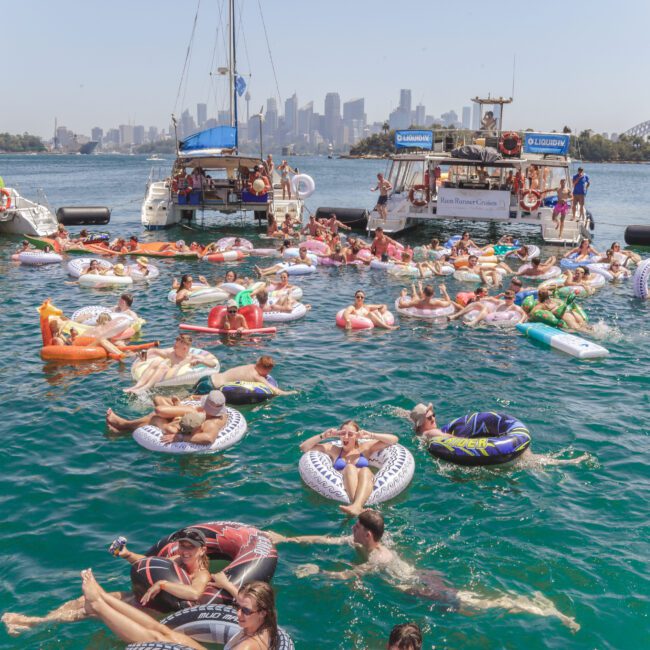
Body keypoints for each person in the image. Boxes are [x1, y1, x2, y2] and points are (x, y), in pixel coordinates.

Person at [271, 510, 579, 632]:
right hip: (420, 580)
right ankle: (538, 607)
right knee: (474, 605)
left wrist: (316, 572)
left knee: (481, 606)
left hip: (427, 590)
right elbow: (322, 539)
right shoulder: (364, 543)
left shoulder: (378, 557)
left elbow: (350, 576)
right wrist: (285, 540)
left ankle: (548, 611)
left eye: (356, 526)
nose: (350, 529)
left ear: (366, 533)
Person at [1, 528, 211, 636]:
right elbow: (150, 564)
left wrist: (162, 585)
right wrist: (126, 554)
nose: (184, 551)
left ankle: (31, 622)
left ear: (202, 550)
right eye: (182, 545)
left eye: (190, 547)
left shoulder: (202, 574)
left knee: (90, 610)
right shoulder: (176, 559)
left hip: (156, 611)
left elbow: (193, 594)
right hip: (141, 598)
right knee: (82, 601)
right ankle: (42, 619)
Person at [410, 403, 589, 469]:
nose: (433, 418)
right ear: (421, 423)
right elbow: (449, 441)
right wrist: (475, 442)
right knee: (525, 460)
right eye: (429, 417)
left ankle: (552, 464)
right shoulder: (432, 432)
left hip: (460, 455)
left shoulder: (421, 433)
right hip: (467, 454)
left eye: (433, 414)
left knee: (524, 459)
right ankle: (560, 463)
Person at [299, 421, 399, 516]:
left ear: (356, 436)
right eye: (342, 433)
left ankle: (356, 506)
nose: (346, 437)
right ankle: (356, 506)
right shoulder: (334, 450)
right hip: (343, 483)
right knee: (350, 467)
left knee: (365, 470)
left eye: (350, 434)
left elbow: (394, 439)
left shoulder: (365, 448)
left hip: (365, 480)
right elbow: (304, 447)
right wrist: (323, 435)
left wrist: (370, 435)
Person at [107, 390, 229, 447]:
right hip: (188, 423)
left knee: (155, 418)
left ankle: (123, 425)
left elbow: (208, 438)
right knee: (159, 401)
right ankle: (122, 429)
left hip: (184, 429)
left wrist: (180, 437)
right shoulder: (213, 414)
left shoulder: (212, 423)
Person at [124, 334, 217, 394]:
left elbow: (212, 364)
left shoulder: (191, 357)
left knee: (163, 366)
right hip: (163, 373)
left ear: (184, 348)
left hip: (172, 375)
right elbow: (154, 351)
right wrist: (143, 355)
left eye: (176, 346)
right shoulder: (171, 353)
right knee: (157, 362)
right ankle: (137, 386)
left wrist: (201, 361)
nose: (174, 347)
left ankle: (145, 388)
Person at [190, 355, 295, 397]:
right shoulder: (256, 376)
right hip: (209, 387)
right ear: (266, 369)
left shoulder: (251, 366)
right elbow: (275, 391)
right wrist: (290, 393)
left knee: (187, 393)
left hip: (208, 378)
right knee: (189, 400)